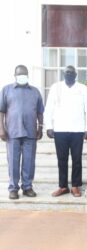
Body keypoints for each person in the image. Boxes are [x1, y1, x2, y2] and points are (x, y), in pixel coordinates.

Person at [44, 65, 87, 197]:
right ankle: (63, 186)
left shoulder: (82, 88)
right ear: (63, 74)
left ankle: (76, 186)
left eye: (71, 73)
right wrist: (49, 126)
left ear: (76, 75)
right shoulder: (56, 87)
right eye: (67, 72)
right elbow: (49, 108)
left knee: (77, 159)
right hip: (60, 129)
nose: (69, 74)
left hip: (78, 130)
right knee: (62, 159)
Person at [0, 65, 44, 199]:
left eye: (25, 74)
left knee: (29, 161)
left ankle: (27, 187)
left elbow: (40, 111)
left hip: (30, 132)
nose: (22, 76)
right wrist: (1, 129)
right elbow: (1, 111)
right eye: (20, 74)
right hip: (12, 132)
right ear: (15, 75)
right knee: (13, 161)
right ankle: (13, 188)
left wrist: (40, 127)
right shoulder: (6, 90)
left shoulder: (35, 91)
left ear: (28, 75)